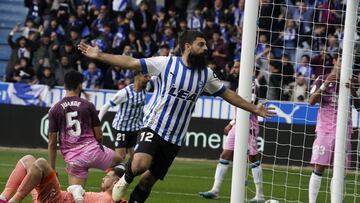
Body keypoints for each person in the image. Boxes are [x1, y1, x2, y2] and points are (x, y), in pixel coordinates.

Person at [78, 30, 275, 203]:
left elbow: (227, 94)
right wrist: (100, 55)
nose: (206, 48)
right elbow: (131, 62)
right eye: (201, 44)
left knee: (148, 181)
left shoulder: (206, 75)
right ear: (188, 46)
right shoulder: (166, 63)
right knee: (140, 164)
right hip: (154, 125)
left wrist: (253, 109)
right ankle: (124, 179)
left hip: (175, 137)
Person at [47, 71, 122, 202]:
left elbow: (52, 142)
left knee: (74, 197)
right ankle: (109, 186)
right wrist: (100, 148)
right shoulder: (87, 105)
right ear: (80, 85)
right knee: (120, 161)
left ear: (64, 86)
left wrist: (52, 169)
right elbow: (98, 134)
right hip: (93, 151)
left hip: (74, 160)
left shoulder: (55, 109)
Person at [199, 69, 265, 202]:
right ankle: (215, 190)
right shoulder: (241, 84)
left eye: (237, 66)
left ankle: (260, 195)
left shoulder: (252, 84)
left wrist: (232, 122)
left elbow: (249, 107)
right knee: (225, 155)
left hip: (248, 125)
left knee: (252, 158)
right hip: (238, 125)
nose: (234, 69)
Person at [308, 54, 360, 203]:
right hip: (325, 130)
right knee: (319, 167)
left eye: (346, 61)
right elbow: (311, 101)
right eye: (341, 60)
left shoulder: (353, 81)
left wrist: (353, 91)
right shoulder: (321, 78)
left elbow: (359, 106)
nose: (343, 63)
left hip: (344, 131)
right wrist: (325, 85)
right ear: (335, 61)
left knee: (340, 171)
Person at [0, 155, 128, 203]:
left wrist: (77, 195)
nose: (103, 178)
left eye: (107, 177)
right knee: (28, 161)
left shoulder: (107, 200)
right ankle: (3, 198)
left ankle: (13, 201)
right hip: (53, 197)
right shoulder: (107, 196)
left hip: (56, 199)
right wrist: (76, 192)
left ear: (115, 183)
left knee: (41, 163)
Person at [98, 71, 150, 163]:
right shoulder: (124, 93)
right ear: (138, 77)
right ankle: (110, 172)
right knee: (120, 157)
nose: (148, 79)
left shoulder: (146, 88)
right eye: (146, 76)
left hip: (135, 128)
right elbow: (106, 106)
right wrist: (97, 122)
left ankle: (126, 176)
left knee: (135, 157)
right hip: (121, 128)